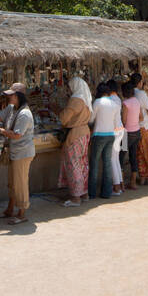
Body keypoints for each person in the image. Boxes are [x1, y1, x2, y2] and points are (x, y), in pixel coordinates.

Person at [0, 84, 36, 223]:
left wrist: (0, 131)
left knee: (20, 183)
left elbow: (17, 135)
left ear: (18, 96)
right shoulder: (12, 108)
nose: (9, 97)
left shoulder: (24, 113)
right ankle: (10, 209)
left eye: (11, 95)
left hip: (23, 153)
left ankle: (21, 213)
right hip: (16, 152)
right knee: (13, 183)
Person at [58, 76, 92, 205]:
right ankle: (84, 193)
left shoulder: (76, 100)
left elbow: (64, 118)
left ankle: (75, 197)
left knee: (74, 165)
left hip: (75, 134)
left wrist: (57, 110)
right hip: (84, 132)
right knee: (83, 164)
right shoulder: (85, 99)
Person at [88, 81, 120, 199]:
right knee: (107, 163)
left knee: (95, 163)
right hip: (111, 135)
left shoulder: (97, 102)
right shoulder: (115, 104)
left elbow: (91, 120)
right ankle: (106, 192)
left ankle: (91, 192)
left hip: (98, 135)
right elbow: (117, 122)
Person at [118, 81, 142, 189]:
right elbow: (141, 117)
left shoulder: (125, 103)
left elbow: (123, 119)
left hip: (126, 134)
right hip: (137, 132)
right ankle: (133, 183)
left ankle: (121, 183)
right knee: (133, 157)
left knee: (121, 157)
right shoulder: (136, 101)